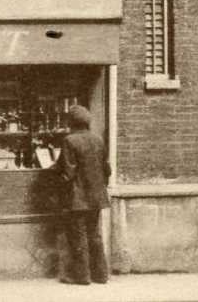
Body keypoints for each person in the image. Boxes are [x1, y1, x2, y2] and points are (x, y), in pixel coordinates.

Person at [56, 104, 111, 285]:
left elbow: (68, 173)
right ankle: (101, 274)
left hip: (77, 198)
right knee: (94, 235)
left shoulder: (69, 141)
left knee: (78, 236)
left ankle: (82, 276)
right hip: (96, 196)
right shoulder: (98, 140)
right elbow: (107, 169)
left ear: (72, 122)